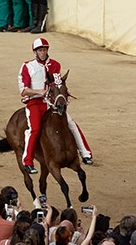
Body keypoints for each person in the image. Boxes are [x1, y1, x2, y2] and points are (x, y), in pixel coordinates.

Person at [18, 37, 92, 173]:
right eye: (40, 50)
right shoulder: (27, 66)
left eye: (44, 49)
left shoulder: (55, 65)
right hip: (34, 103)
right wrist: (39, 92)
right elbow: (23, 90)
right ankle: (27, 161)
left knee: (71, 123)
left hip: (51, 103)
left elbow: (57, 83)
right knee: (34, 129)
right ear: (35, 52)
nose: (43, 52)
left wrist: (63, 92)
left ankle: (85, 153)